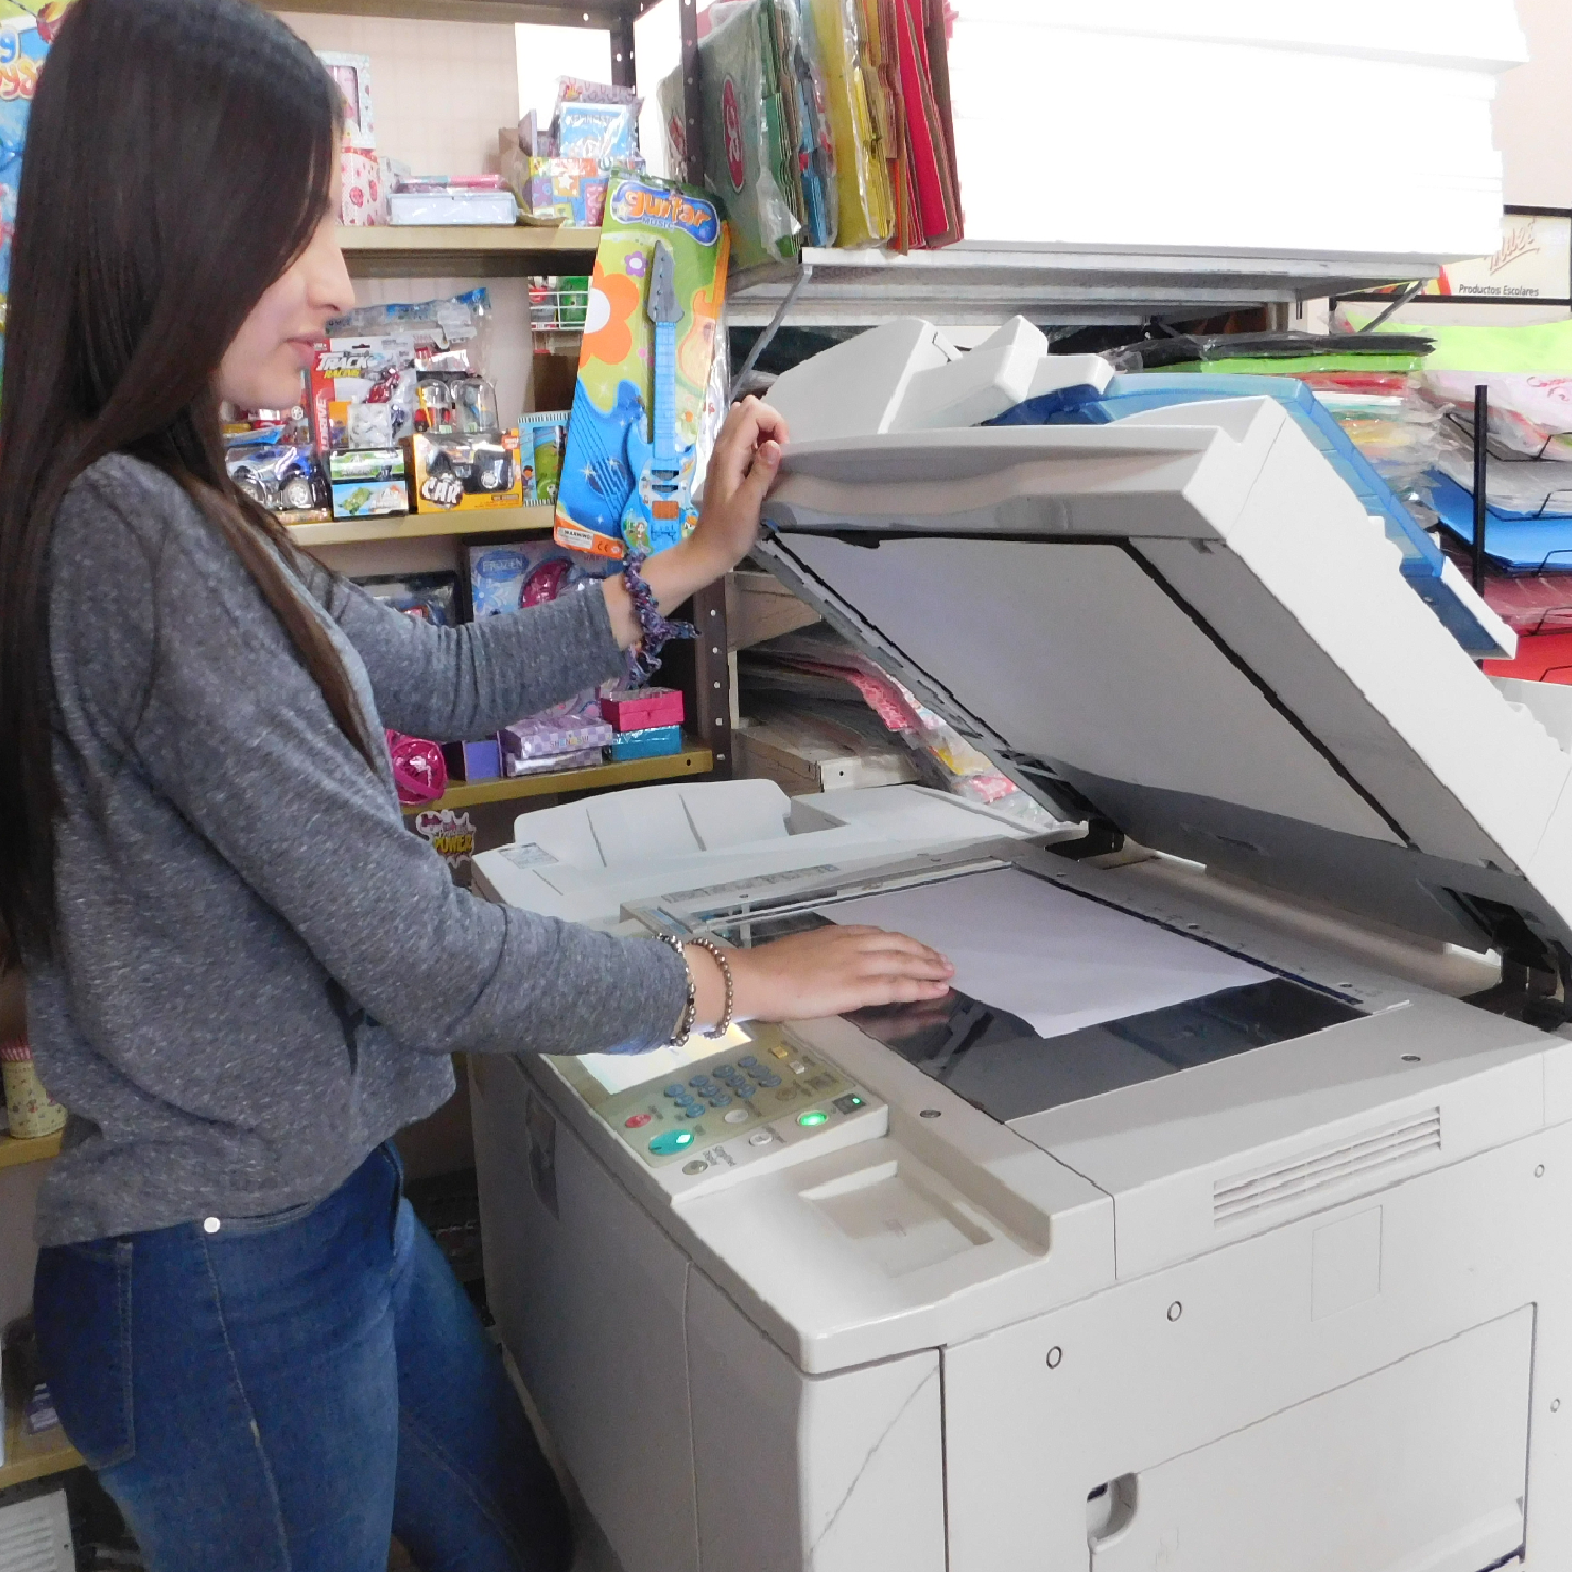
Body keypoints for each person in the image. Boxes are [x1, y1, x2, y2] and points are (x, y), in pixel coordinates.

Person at [0, 3, 955, 1569]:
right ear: (163, 218)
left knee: (513, 1532)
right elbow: (421, 959)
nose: (333, 284)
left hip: (326, 1212)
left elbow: (434, 682)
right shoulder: (135, 543)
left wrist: (687, 565)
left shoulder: (196, 506)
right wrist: (746, 981)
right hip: (219, 1273)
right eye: (295, 228)